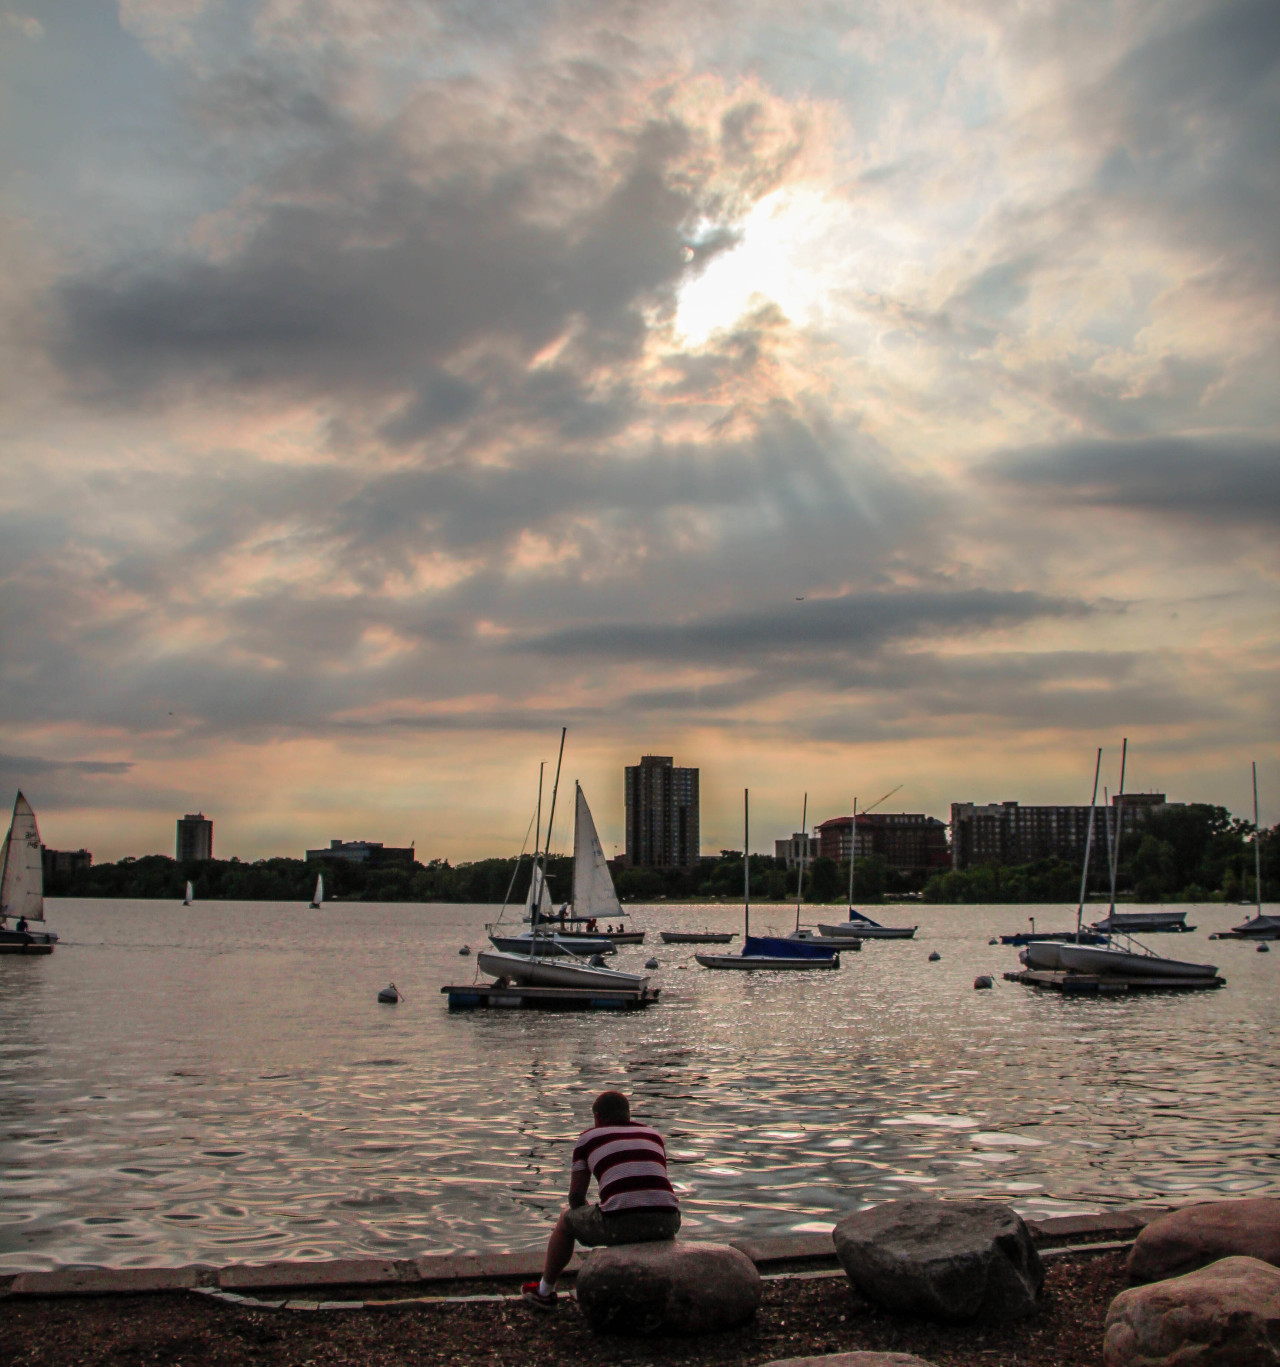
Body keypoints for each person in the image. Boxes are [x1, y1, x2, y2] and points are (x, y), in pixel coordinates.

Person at [522, 1090, 679, 1310]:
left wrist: (590, 1217)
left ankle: (544, 1291)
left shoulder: (587, 1138)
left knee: (565, 1221)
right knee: (633, 1208)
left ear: (597, 1117)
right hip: (669, 1221)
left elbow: (576, 1197)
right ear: (627, 1114)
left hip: (620, 1223)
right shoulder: (653, 1135)